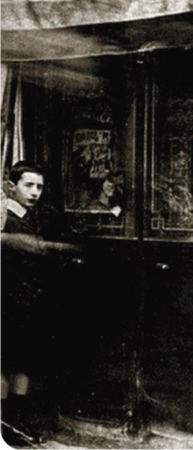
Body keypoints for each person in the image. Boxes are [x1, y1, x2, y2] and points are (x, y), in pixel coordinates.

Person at [0, 161, 75, 445]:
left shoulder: (39, 216)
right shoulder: (4, 215)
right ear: (11, 186)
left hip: (29, 299)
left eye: (39, 187)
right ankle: (5, 424)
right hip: (6, 297)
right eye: (28, 185)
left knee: (24, 361)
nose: (34, 192)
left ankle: (16, 420)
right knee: (5, 362)